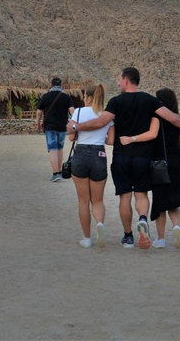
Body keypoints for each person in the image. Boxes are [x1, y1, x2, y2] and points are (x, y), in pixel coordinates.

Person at [67, 67, 180, 250]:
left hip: (121, 156)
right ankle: (142, 219)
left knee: (125, 197)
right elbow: (171, 117)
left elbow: (101, 122)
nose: (117, 83)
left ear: (126, 80)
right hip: (143, 157)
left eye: (119, 79)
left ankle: (128, 237)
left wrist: (77, 127)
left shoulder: (116, 102)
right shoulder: (150, 100)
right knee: (141, 194)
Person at [138, 88, 180, 249]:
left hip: (159, 162)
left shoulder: (154, 119)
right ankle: (177, 227)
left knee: (160, 201)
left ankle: (161, 239)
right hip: (177, 160)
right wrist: (178, 160)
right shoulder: (179, 119)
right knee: (174, 200)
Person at [68, 84, 115, 248]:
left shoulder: (78, 112)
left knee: (83, 201)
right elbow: (111, 141)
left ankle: (87, 238)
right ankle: (100, 224)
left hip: (80, 154)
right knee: (97, 200)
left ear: (87, 98)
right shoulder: (107, 116)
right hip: (99, 155)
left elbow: (71, 137)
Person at [37, 77, 75, 182]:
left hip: (50, 126)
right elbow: (72, 111)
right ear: (61, 85)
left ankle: (56, 173)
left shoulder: (46, 96)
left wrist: (38, 123)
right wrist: (75, 122)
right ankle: (59, 171)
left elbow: (39, 112)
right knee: (59, 148)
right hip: (62, 126)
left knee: (52, 148)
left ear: (51, 85)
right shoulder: (66, 97)